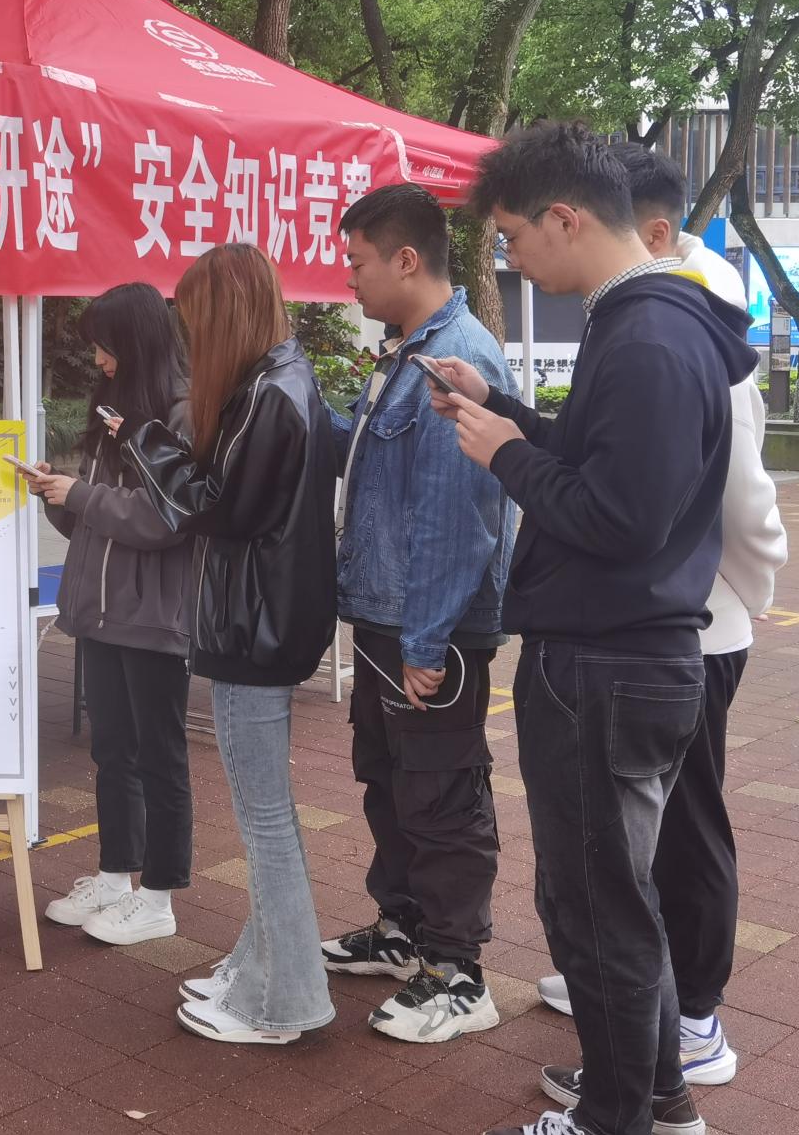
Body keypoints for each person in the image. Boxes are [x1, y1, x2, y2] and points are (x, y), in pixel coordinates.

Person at [427, 123, 752, 1135]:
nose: (511, 257)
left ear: (564, 219)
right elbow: (597, 461)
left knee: (598, 908)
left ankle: (617, 1116)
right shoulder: (645, 323)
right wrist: (505, 412)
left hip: (608, 661)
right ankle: (653, 1098)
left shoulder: (647, 339)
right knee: (609, 899)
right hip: (620, 657)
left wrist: (503, 454)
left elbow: (620, 519)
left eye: (513, 236)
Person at [531, 143, 787, 1088]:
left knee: (681, 829)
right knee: (635, 839)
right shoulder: (644, 316)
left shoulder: (669, 331)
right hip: (672, 617)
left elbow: (742, 504)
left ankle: (693, 1022)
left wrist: (739, 600)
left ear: (648, 229)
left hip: (689, 623)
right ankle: (642, 1007)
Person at [319, 184, 517, 1044]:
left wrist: (427, 641)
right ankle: (403, 929)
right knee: (390, 780)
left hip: (430, 625)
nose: (349, 278)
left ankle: (458, 971)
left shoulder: (455, 358)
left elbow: (456, 517)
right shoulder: (406, 352)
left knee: (440, 795)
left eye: (357, 261)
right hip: (387, 614)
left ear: (406, 259)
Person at [127, 243, 339, 1045]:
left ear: (223, 314)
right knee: (265, 816)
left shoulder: (269, 393)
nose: (191, 336)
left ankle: (286, 1000)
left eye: (195, 318)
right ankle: (263, 969)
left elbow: (221, 508)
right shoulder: (280, 381)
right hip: (266, 622)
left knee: (265, 820)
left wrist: (146, 441)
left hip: (256, 628)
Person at [25, 282, 196, 947]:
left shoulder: (181, 414)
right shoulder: (111, 411)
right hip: (99, 611)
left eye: (105, 345)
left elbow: (164, 518)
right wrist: (54, 494)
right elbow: (90, 520)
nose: (97, 358)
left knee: (159, 755)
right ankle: (115, 875)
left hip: (153, 615)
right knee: (113, 749)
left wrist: (81, 495)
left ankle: (159, 896)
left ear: (136, 342)